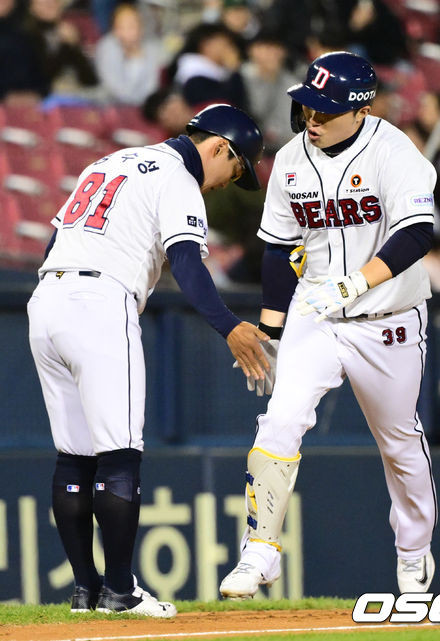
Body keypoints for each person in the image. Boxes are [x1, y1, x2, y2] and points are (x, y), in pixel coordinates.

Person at [27, 103, 271, 616]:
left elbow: (55, 239)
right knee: (119, 454)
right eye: (237, 168)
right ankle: (120, 590)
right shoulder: (178, 179)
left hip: (46, 299)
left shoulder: (110, 161)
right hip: (99, 303)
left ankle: (85, 590)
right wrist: (228, 325)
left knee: (73, 457)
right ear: (219, 147)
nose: (229, 181)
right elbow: (186, 261)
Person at [219, 51, 438, 599]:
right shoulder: (293, 158)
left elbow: (416, 234)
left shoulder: (394, 152)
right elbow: (275, 249)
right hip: (317, 312)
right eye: (306, 107)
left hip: (387, 319)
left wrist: (359, 281)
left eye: (322, 110)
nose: (310, 119)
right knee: (279, 421)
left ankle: (413, 552)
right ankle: (260, 552)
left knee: (399, 442)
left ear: (358, 109)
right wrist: (269, 328)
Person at [95, 3, 164, 106]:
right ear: (114, 29)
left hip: (145, 107)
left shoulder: (153, 49)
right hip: (112, 106)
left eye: (131, 25)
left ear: (141, 27)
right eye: (120, 26)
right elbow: (114, 87)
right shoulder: (106, 47)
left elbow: (152, 87)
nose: (126, 31)